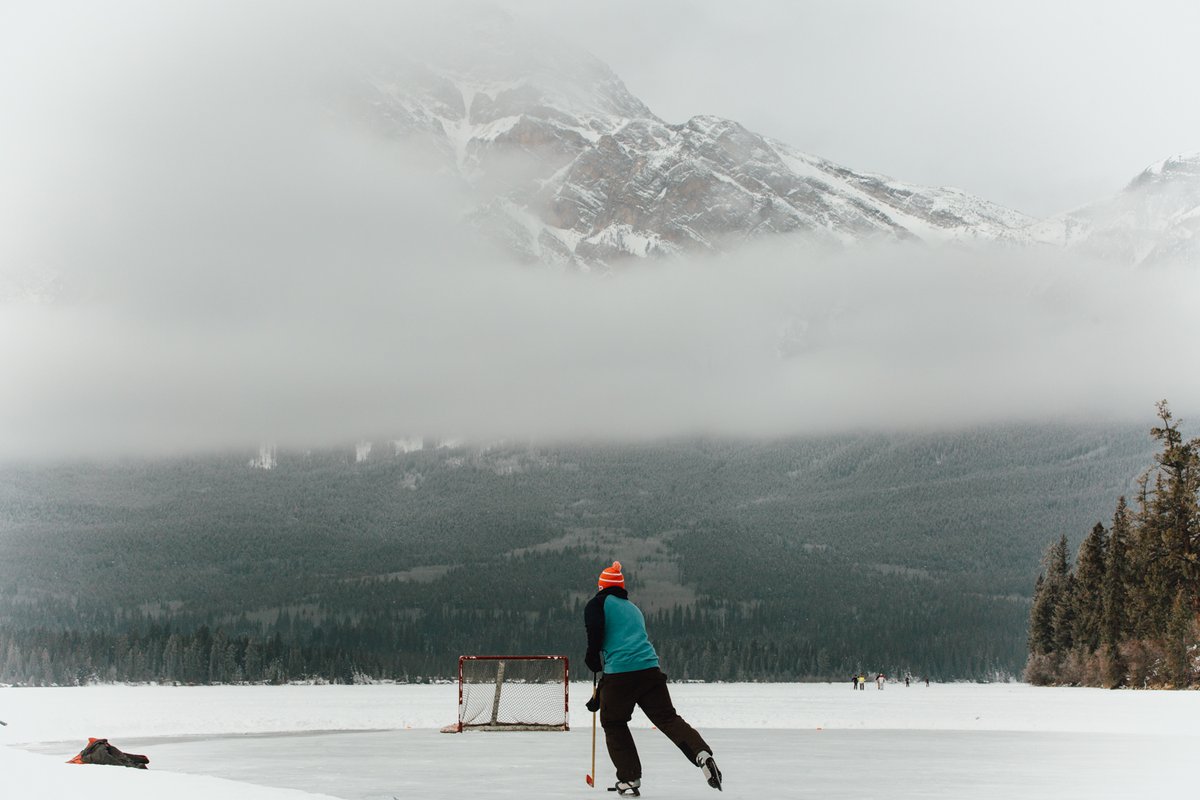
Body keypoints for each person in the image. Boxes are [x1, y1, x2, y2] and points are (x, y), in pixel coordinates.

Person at [585, 561, 722, 796]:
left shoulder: (598, 603)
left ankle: (629, 779)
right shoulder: (633, 608)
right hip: (650, 671)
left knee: (614, 722)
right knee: (667, 718)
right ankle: (701, 753)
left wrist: (592, 657)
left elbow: (595, 629)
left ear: (601, 586)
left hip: (620, 673)